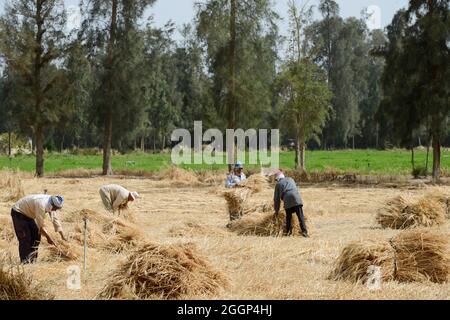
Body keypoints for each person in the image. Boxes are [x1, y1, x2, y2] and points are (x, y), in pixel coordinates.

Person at [11, 195, 66, 264]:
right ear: (52, 204)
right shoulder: (41, 204)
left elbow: (55, 220)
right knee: (25, 238)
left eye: (57, 208)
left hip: (29, 215)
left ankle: (32, 261)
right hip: (19, 213)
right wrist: (48, 238)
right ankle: (25, 263)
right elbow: (41, 226)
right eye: (55, 208)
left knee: (36, 237)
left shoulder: (52, 204)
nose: (55, 210)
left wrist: (63, 236)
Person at [273, 170, 309, 238]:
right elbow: (295, 188)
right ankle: (304, 232)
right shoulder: (291, 179)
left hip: (287, 199)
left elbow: (276, 199)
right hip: (296, 197)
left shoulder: (278, 185)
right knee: (300, 216)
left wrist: (276, 211)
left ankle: (288, 233)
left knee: (288, 217)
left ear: (277, 179)